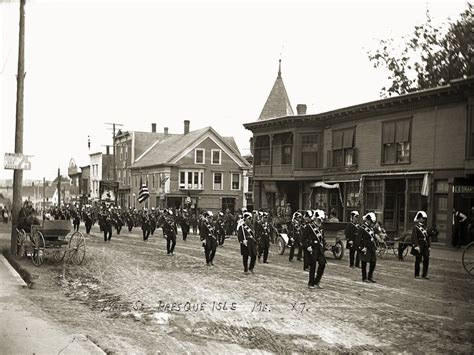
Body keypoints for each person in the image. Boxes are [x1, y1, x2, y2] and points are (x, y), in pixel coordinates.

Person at [301, 209, 327, 289]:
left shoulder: (320, 228)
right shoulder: (309, 227)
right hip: (312, 248)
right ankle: (311, 283)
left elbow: (322, 239)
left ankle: (317, 281)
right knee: (313, 266)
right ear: (315, 218)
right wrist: (307, 246)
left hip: (319, 249)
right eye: (319, 219)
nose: (320, 221)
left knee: (322, 263)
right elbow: (303, 239)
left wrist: (325, 245)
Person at [411, 211, 430, 279]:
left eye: (424, 219)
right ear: (418, 219)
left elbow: (427, 237)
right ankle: (417, 274)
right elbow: (414, 237)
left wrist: (429, 246)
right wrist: (416, 245)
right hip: (419, 244)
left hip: (425, 245)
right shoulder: (415, 227)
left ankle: (424, 274)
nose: (423, 220)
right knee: (418, 260)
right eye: (422, 218)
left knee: (426, 258)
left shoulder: (425, 227)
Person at [358, 212, 377, 283]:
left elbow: (373, 238)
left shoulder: (371, 228)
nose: (372, 223)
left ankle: (370, 276)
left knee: (373, 262)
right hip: (364, 248)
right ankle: (364, 278)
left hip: (371, 248)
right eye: (371, 222)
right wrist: (361, 247)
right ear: (368, 220)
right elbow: (358, 240)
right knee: (364, 263)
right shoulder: (362, 228)